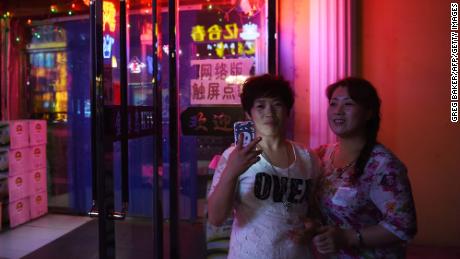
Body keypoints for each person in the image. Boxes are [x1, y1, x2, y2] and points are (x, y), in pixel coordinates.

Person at [207, 74, 321, 259]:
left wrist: (311, 228)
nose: (269, 112)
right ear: (248, 113)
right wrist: (231, 172)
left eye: (277, 104)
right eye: (260, 106)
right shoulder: (235, 156)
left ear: (287, 111)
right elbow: (216, 218)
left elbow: (315, 210)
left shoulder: (308, 158)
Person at [313, 77, 417, 258]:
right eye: (333, 103)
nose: (338, 111)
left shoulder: (382, 165)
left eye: (348, 104)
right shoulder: (322, 155)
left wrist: (348, 237)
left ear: (368, 112)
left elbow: (403, 226)